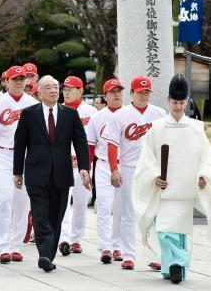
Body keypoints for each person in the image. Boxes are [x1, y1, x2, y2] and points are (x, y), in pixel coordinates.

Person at [132, 73, 210, 284]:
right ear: (168, 101)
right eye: (174, 102)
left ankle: (175, 266)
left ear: (187, 101)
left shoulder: (195, 127)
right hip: (165, 189)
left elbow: (206, 156)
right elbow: (147, 158)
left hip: (185, 188)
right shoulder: (157, 128)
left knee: (180, 231)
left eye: (181, 102)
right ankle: (175, 265)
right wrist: (155, 176)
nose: (178, 106)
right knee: (165, 230)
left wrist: (204, 176)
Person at [13, 75, 90, 272]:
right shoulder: (29, 114)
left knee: (56, 215)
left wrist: (83, 167)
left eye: (56, 87)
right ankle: (44, 255)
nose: (54, 91)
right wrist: (17, 171)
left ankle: (49, 252)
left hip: (62, 174)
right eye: (48, 87)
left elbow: (80, 142)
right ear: (39, 92)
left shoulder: (70, 114)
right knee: (40, 215)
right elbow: (20, 143)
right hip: (35, 172)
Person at [102, 76, 166, 270]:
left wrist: (164, 171)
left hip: (152, 169)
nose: (144, 95)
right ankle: (129, 254)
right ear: (132, 93)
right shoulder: (120, 115)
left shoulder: (159, 113)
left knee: (154, 213)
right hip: (128, 167)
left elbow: (165, 144)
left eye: (147, 92)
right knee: (128, 213)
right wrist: (114, 169)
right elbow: (112, 145)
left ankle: (155, 255)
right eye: (140, 92)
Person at [0, 65, 38, 263]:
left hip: (27, 157)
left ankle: (16, 245)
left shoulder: (32, 103)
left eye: (22, 78)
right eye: (15, 79)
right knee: (5, 198)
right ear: (6, 82)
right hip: (3, 155)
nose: (19, 81)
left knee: (23, 202)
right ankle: (3, 244)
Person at [58, 76, 97, 255]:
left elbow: (95, 141)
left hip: (82, 164)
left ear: (81, 91)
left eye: (71, 88)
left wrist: (87, 165)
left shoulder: (91, 111)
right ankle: (64, 238)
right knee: (62, 203)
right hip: (62, 162)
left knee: (81, 203)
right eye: (65, 88)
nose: (66, 91)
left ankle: (76, 239)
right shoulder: (56, 109)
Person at [87, 79, 124, 263]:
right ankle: (105, 247)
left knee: (121, 208)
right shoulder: (97, 117)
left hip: (125, 165)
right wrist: (87, 169)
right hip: (102, 165)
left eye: (119, 91)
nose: (117, 94)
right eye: (112, 91)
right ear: (106, 95)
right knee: (103, 206)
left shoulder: (128, 114)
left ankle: (117, 246)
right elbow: (91, 147)